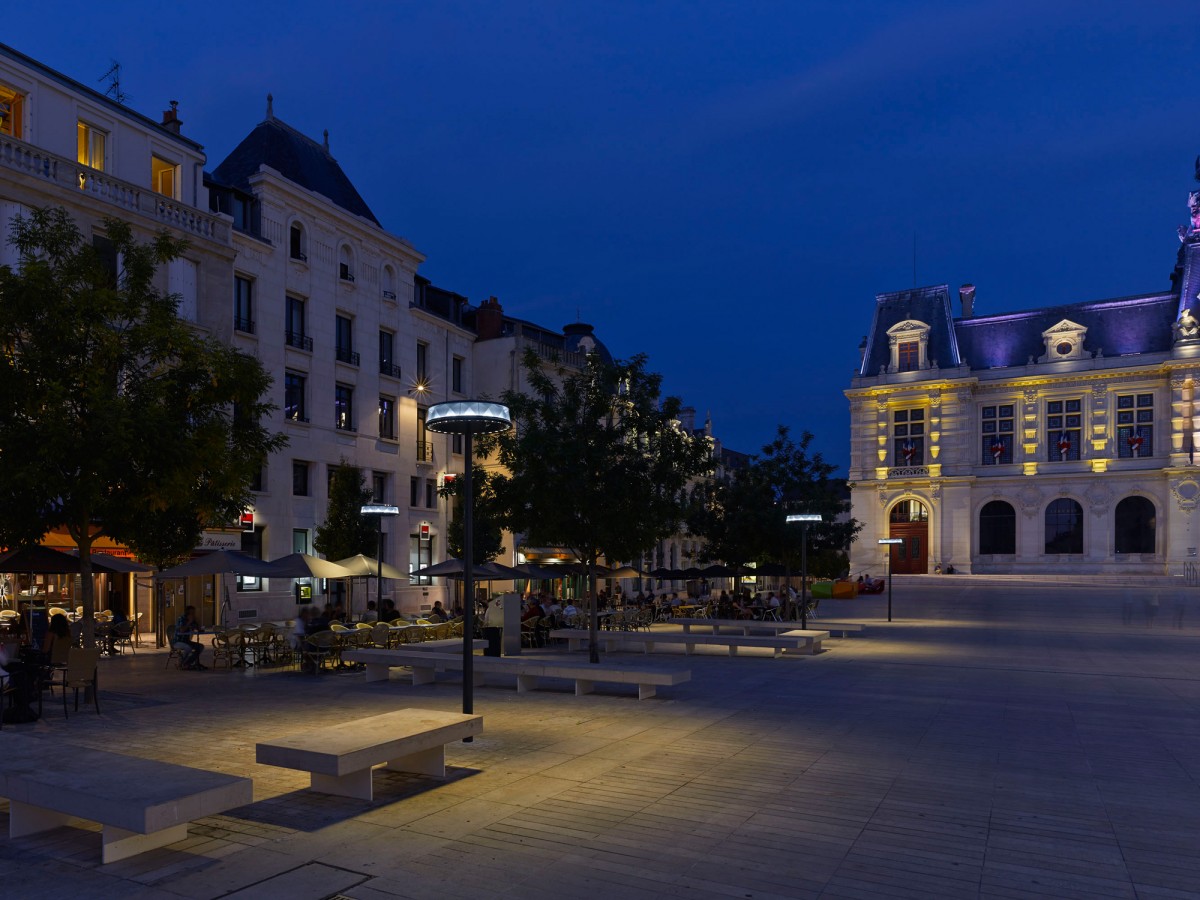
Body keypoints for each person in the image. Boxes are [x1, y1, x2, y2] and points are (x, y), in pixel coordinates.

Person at [173, 605, 206, 670]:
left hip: (187, 641)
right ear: (187, 613)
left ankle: (188, 662)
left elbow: (198, 629)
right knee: (188, 648)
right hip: (178, 641)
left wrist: (197, 620)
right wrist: (189, 622)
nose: (193, 614)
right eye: (191, 613)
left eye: (194, 613)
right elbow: (182, 630)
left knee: (200, 647)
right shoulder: (182, 619)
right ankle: (180, 663)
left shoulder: (192, 619)